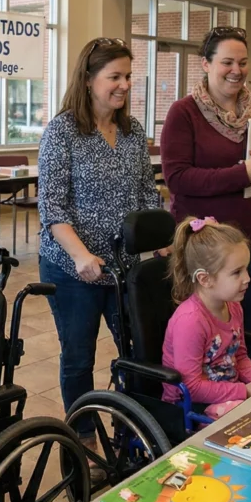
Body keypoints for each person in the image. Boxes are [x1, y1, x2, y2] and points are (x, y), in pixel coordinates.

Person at [38, 36, 163, 420]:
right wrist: (80, 255)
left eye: (128, 76)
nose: (124, 85)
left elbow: (148, 193)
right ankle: (83, 435)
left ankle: (135, 427)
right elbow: (52, 207)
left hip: (123, 266)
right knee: (79, 356)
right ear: (89, 79)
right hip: (73, 267)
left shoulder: (131, 131)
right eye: (115, 76)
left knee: (137, 350)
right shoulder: (63, 131)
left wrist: (163, 241)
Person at [162, 26, 251, 335]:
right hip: (204, 249)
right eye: (227, 62)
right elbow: (179, 179)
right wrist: (243, 174)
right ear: (206, 64)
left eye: (243, 62)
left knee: (244, 335)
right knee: (203, 339)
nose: (237, 70)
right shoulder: (183, 113)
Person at [162, 216, 251, 420]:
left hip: (228, 393)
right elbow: (190, 387)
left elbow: (240, 357)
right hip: (191, 405)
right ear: (205, 279)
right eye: (237, 272)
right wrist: (244, 391)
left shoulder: (234, 306)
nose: (248, 278)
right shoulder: (191, 320)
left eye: (246, 268)